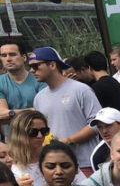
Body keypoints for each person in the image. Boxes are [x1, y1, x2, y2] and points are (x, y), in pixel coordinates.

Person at [30, 47, 101, 175]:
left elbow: (97, 124)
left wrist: (69, 140)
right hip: (55, 167)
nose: (32, 70)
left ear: (52, 65)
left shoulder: (81, 90)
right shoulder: (38, 98)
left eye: (36, 66)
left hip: (84, 163)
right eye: (30, 66)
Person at [9, 111, 86, 186]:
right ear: (19, 134)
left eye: (44, 131)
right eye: (33, 132)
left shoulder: (56, 154)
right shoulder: (8, 162)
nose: (40, 136)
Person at [0, 38, 45, 131]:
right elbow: (1, 114)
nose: (8, 59)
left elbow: (45, 109)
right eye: (4, 55)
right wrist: (33, 110)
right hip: (13, 137)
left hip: (40, 133)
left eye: (12, 54)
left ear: (24, 57)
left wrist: (11, 113)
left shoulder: (40, 78)